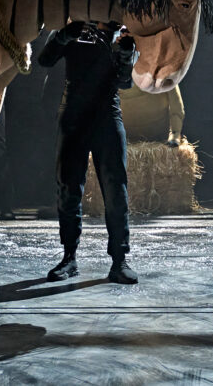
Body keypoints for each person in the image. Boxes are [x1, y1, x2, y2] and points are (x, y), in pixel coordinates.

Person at [38, 19, 139, 284]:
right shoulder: (74, 26)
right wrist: (63, 35)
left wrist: (126, 54)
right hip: (73, 113)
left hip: (107, 114)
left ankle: (120, 260)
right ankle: (69, 258)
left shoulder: (123, 34)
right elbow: (45, 60)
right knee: (68, 187)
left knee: (116, 189)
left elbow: (125, 82)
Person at [119, 84, 185, 146]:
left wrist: (175, 133)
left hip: (159, 136)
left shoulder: (164, 75)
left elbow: (176, 105)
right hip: (126, 137)